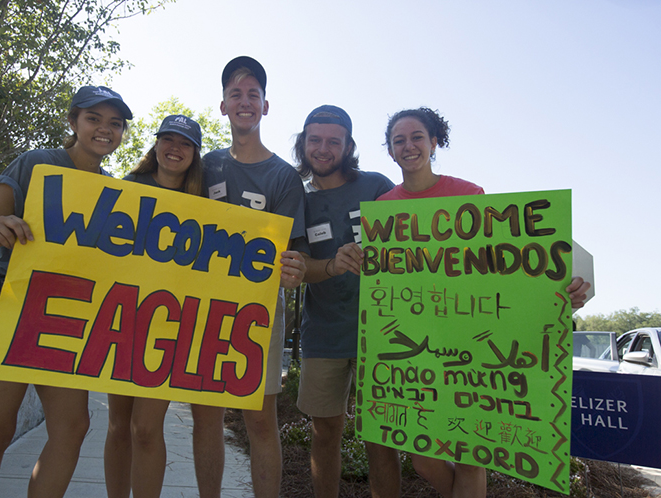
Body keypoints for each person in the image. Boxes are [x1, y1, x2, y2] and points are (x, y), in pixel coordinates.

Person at [372, 107, 591, 498]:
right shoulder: (384, 207)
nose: (409, 146)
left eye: (417, 137)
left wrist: (563, 290)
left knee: (471, 456)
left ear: (434, 142)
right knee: (423, 459)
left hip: (471, 344)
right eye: (399, 140)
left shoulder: (468, 194)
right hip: (416, 348)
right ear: (389, 151)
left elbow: (504, 266)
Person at [0, 86, 132, 498]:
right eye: (94, 119)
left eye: (115, 123)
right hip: (7, 298)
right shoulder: (36, 163)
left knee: (72, 427)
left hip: (69, 311)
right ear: (73, 122)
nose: (104, 129)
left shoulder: (118, 194)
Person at [190, 55, 306, 498]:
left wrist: (292, 270)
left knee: (259, 419)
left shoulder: (283, 177)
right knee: (206, 415)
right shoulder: (204, 166)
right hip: (200, 310)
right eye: (235, 94)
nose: (244, 102)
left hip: (258, 315)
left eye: (252, 94)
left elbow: (291, 257)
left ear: (265, 106)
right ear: (222, 106)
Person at [292, 105, 402, 498]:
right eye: (315, 140)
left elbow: (423, 241)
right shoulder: (298, 200)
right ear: (303, 144)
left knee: (381, 440)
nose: (323, 149)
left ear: (348, 146)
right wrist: (333, 265)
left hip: (386, 334)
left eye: (333, 142)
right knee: (324, 434)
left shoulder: (375, 186)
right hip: (324, 334)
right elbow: (300, 267)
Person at [103, 114, 204, 498]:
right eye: (169, 139)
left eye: (185, 143)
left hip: (166, 325)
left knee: (146, 427)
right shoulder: (126, 188)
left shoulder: (204, 203)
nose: (175, 148)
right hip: (120, 317)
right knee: (118, 425)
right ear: (156, 144)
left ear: (194, 154)